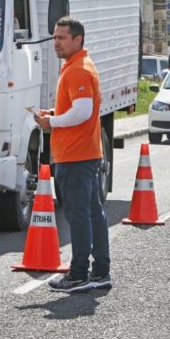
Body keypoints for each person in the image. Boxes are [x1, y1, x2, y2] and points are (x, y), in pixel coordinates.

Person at [35, 17, 111, 293]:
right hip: (84, 152)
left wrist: (51, 123)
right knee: (92, 213)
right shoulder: (77, 66)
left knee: (79, 216)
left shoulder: (78, 70)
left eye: (61, 38)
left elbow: (82, 112)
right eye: (54, 37)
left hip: (76, 155)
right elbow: (79, 109)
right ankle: (100, 271)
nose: (56, 42)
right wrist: (54, 114)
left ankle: (79, 274)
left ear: (77, 39)